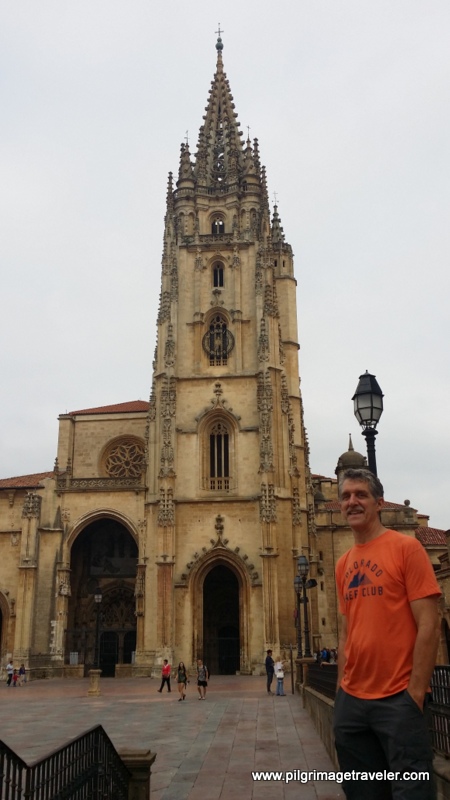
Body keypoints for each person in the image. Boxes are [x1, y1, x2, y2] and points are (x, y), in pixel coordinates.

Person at [333, 467, 441, 800]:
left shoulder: (405, 549)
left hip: (398, 701)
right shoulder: (343, 563)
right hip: (353, 703)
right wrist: (340, 695)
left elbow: (430, 622)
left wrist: (415, 694)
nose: (352, 501)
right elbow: (347, 630)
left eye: (361, 495)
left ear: (379, 502)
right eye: (346, 496)